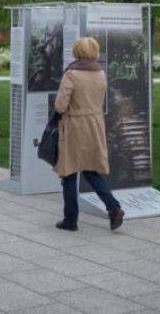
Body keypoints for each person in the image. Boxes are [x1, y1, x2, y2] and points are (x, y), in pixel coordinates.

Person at [54, 37, 124, 231]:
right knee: (91, 170)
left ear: (77, 51)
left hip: (75, 125)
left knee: (69, 172)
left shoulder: (72, 74)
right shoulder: (100, 73)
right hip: (94, 124)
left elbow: (60, 105)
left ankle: (70, 220)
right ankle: (113, 207)